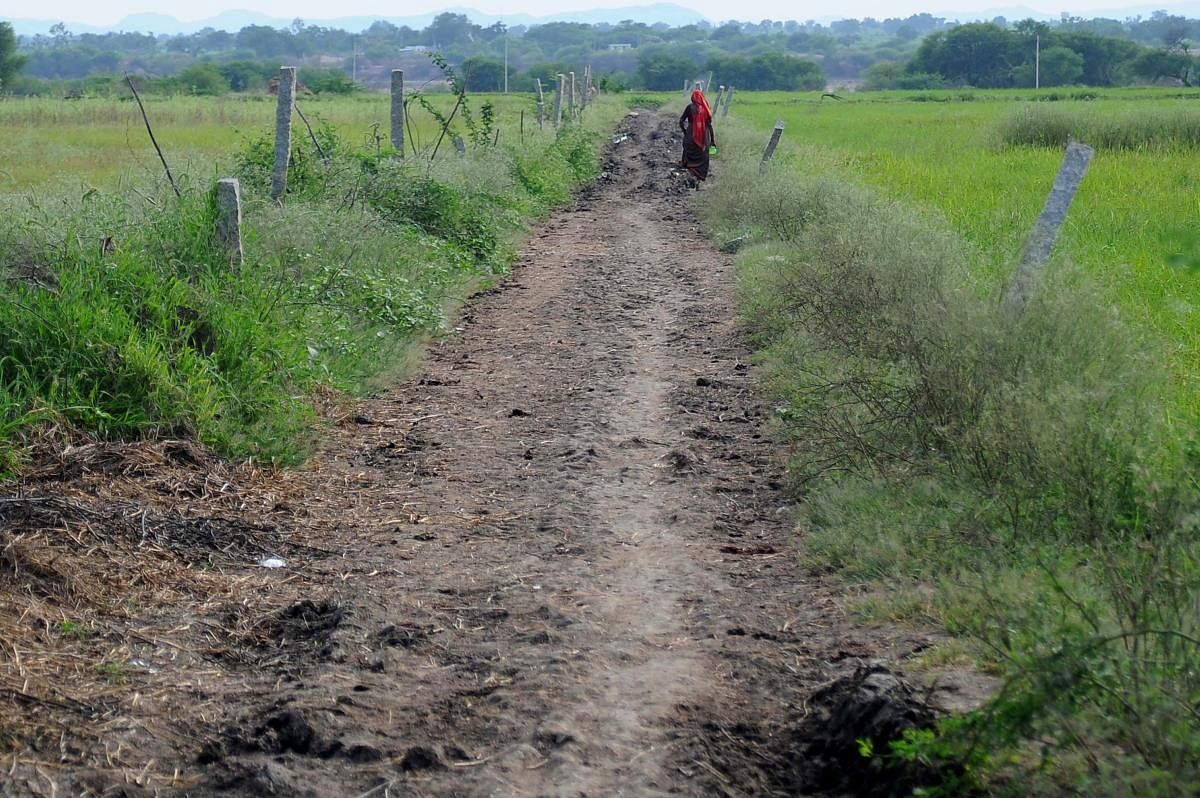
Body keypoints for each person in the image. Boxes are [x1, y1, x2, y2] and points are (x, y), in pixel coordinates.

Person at [679, 88, 715, 182]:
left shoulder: (689, 107)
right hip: (704, 135)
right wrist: (712, 140)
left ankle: (688, 166)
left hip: (691, 133)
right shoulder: (706, 108)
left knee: (687, 148)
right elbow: (709, 125)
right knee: (704, 153)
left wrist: (685, 131)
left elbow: (681, 121)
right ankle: (701, 174)